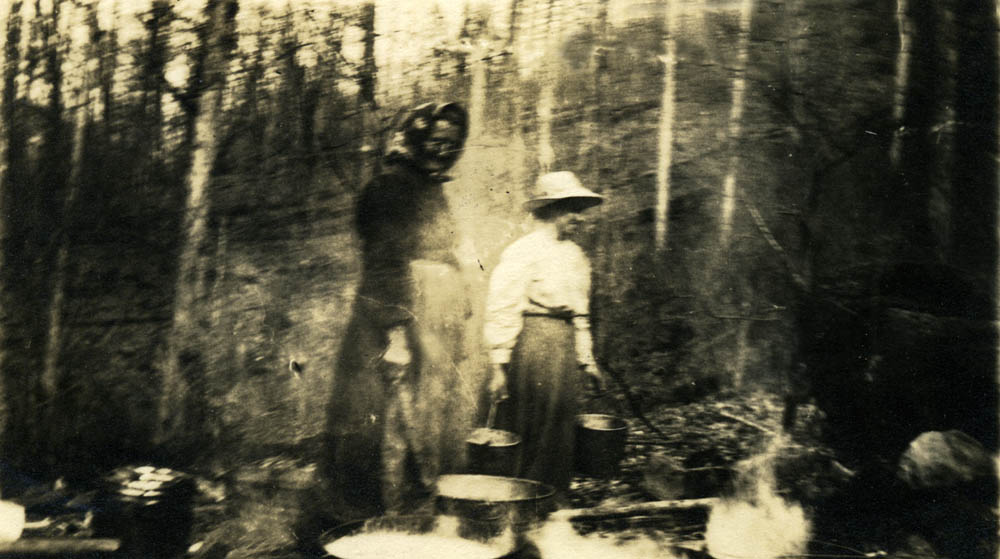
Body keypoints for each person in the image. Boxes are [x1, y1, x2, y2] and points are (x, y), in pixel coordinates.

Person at [320, 102, 471, 523]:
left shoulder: (430, 188)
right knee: (385, 419)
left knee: (428, 417)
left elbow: (445, 251)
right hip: (398, 320)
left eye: (452, 144)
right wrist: (397, 334)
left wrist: (463, 306)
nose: (443, 151)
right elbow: (385, 262)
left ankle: (420, 506)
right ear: (417, 139)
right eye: (436, 141)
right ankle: (377, 517)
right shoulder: (388, 189)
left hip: (435, 322)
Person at [483, 170, 607, 495]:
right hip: (534, 344)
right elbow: (503, 306)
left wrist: (587, 361)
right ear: (551, 209)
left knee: (560, 425)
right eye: (572, 210)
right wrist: (498, 364)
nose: (579, 218)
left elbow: (580, 314)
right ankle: (520, 499)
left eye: (581, 210)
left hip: (564, 347)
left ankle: (553, 499)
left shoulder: (575, 256)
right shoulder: (523, 251)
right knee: (531, 422)